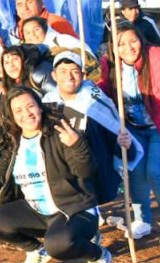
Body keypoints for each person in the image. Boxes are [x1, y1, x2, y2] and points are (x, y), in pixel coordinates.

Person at [0, 87, 112, 263]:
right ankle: (37, 251)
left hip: (74, 209)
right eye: (18, 110)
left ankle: (99, 256)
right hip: (39, 211)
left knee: (58, 245)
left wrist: (77, 146)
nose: (26, 113)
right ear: (11, 116)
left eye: (30, 106)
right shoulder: (14, 143)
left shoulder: (59, 134)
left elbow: (86, 172)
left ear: (40, 107)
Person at [98, 22, 160, 246]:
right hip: (133, 128)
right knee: (136, 173)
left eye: (133, 40)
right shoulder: (109, 64)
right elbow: (105, 91)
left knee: (157, 172)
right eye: (121, 44)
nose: (128, 48)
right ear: (113, 47)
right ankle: (142, 220)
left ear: (141, 39)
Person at [42, 52, 137, 213]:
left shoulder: (96, 102)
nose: (69, 76)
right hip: (64, 180)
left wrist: (125, 146)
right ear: (54, 75)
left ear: (83, 75)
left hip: (93, 173)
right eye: (63, 71)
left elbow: (116, 140)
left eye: (74, 71)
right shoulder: (46, 105)